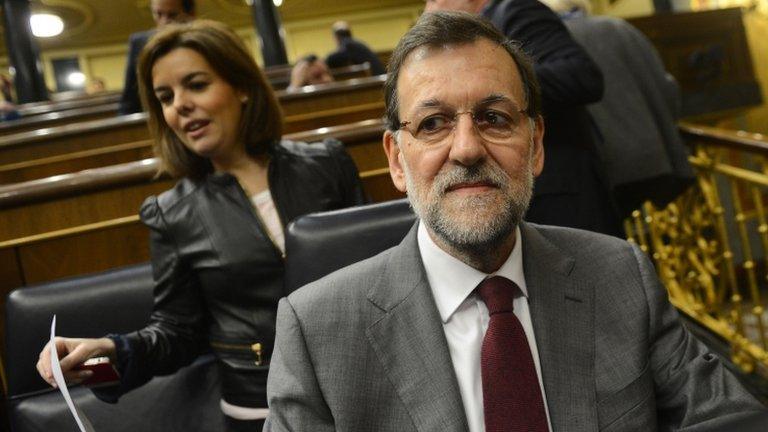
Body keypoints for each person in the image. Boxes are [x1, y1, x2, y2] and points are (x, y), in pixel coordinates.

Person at [264, 12, 766, 432]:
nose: (466, 149)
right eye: (434, 123)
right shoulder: (317, 333)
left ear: (537, 144)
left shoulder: (619, 275)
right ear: (397, 160)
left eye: (495, 118)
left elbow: (730, 418)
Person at [37, 20, 366, 431]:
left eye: (196, 84)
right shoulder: (172, 213)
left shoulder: (327, 165)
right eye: (165, 97)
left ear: (241, 86)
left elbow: (377, 282)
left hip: (360, 383)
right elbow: (176, 333)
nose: (179, 105)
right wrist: (108, 353)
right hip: (260, 409)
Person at [425, 0, 623, 237]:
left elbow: (581, 74)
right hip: (522, 190)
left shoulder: (517, 9)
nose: (429, 9)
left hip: (562, 191)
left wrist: (500, 87)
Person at [540, 0, 694, 216]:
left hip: (601, 172)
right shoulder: (619, 27)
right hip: (653, 159)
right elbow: (668, 89)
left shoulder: (546, 46)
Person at [118, 0, 195, 115]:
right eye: (158, 14)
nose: (164, 22)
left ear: (190, 14)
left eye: (172, 15)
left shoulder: (203, 40)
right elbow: (130, 99)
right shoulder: (139, 43)